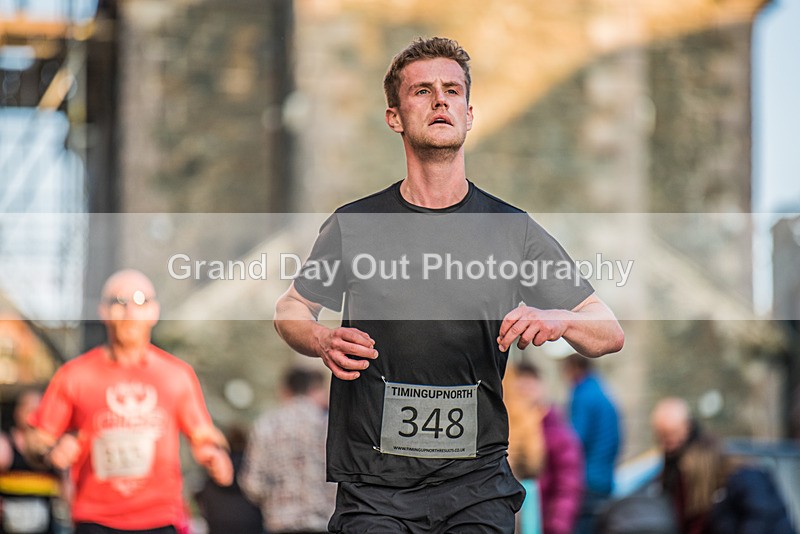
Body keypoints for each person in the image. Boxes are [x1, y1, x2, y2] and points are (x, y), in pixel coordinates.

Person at [273, 36, 624, 533]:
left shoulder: (513, 229)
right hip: (374, 489)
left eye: (452, 90)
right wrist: (319, 337)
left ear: (469, 112)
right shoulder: (355, 224)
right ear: (394, 115)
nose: (440, 100)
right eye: (422, 91)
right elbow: (291, 308)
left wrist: (560, 317)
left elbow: (608, 331)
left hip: (476, 486)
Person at [26, 269, 233, 534]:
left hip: (159, 519)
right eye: (119, 302)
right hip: (96, 520)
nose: (130, 312)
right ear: (102, 311)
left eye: (140, 301)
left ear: (154, 311)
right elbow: (36, 439)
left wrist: (215, 454)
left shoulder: (176, 375)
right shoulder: (74, 376)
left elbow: (205, 434)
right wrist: (51, 451)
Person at [239, 366, 335, 534]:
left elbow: (253, 484)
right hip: (324, 523)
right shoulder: (329, 425)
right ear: (311, 388)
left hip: (281, 523)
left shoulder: (267, 425)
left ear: (285, 390)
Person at [513, 362, 583, 534]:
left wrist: (557, 526)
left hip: (542, 523)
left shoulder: (558, 434)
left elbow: (568, 486)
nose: (525, 393)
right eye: (520, 388)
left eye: (529, 386)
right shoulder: (507, 430)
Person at [562, 353, 622, 534]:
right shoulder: (603, 392)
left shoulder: (583, 395)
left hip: (587, 482)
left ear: (573, 369)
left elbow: (574, 441)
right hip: (605, 479)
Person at [651, 397, 723, 534]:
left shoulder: (698, 459)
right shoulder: (674, 459)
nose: (666, 443)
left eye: (671, 434)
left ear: (687, 427)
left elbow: (700, 511)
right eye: (662, 436)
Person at [0, 389, 68, 534]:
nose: (32, 416)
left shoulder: (56, 450)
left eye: (38, 410)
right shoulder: (4, 446)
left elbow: (67, 493)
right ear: (17, 412)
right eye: (28, 409)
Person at [194, 425, 263, 534]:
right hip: (253, 526)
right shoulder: (254, 469)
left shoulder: (214, 470)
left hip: (219, 527)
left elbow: (199, 495)